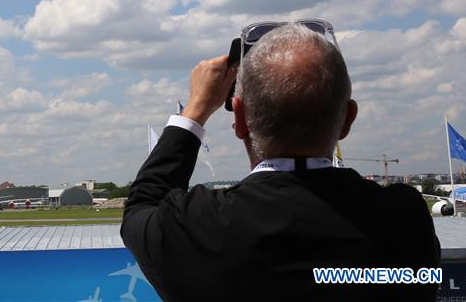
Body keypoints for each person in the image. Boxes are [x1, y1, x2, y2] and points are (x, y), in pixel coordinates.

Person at [121, 23, 440, 302]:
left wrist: (195, 109)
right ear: (347, 119)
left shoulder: (198, 228)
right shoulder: (404, 220)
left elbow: (142, 206)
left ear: (240, 120)